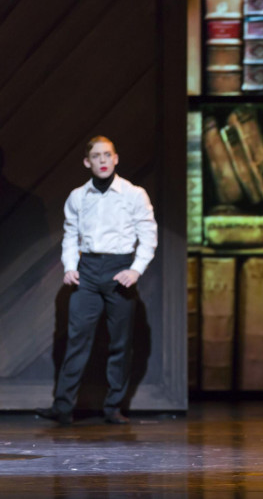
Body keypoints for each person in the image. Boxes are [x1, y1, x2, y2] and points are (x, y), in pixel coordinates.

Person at [36, 136, 158, 425]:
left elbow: (149, 235)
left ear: (116, 159)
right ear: (87, 162)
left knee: (120, 343)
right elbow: (70, 235)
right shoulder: (78, 196)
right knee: (77, 340)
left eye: (107, 155)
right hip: (88, 270)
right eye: (96, 156)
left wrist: (136, 269)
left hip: (120, 270)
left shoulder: (133, 194)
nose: (102, 161)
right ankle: (63, 407)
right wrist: (69, 266)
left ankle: (113, 406)